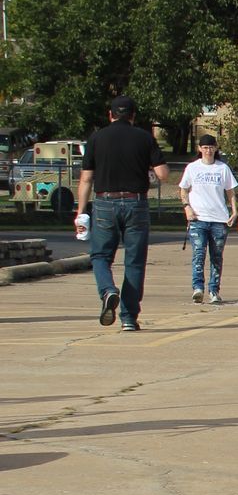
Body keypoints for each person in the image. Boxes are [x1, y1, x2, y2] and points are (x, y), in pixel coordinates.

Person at [73, 94, 168, 331]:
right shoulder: (145, 138)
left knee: (100, 256)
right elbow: (164, 174)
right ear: (133, 116)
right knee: (135, 262)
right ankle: (128, 317)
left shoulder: (97, 138)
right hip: (136, 203)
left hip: (105, 202)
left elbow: (86, 179)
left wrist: (81, 212)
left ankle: (108, 290)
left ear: (110, 115)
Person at [178, 134, 238, 305]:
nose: (208, 150)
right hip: (198, 218)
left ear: (216, 148)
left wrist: (234, 211)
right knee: (198, 253)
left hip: (219, 219)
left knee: (216, 256)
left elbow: (230, 192)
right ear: (200, 149)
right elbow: (183, 190)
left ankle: (214, 289)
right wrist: (187, 208)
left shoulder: (222, 168)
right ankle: (198, 288)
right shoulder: (192, 168)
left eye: (211, 147)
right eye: (205, 147)